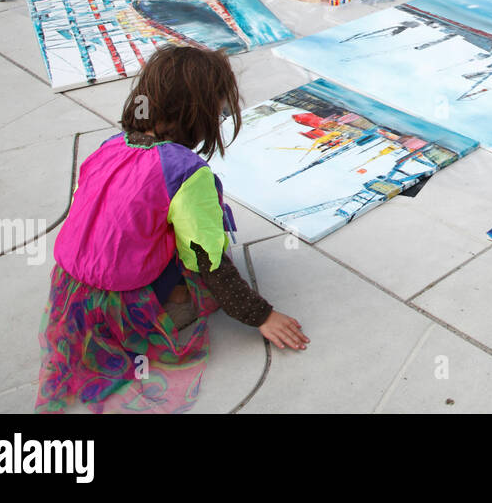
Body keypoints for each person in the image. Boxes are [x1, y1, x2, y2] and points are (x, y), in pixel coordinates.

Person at [36, 46, 308, 414]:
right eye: (219, 108)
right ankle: (171, 302)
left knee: (153, 222)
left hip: (69, 296)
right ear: (201, 113)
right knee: (205, 234)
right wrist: (260, 315)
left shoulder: (109, 146)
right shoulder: (184, 171)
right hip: (121, 307)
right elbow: (208, 261)